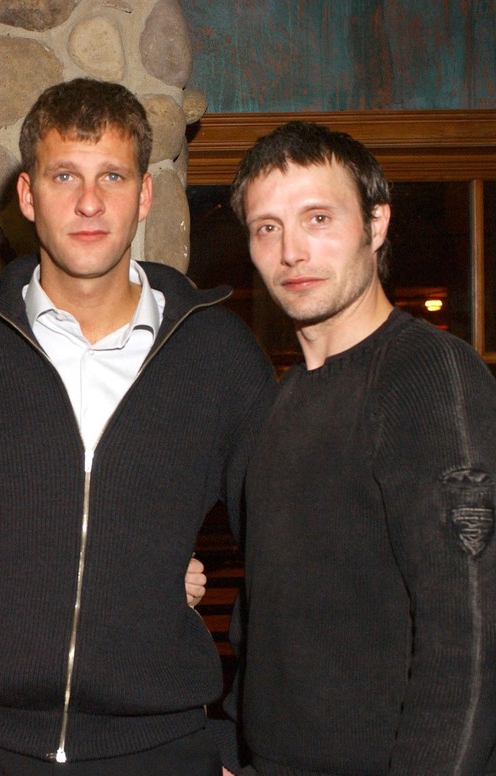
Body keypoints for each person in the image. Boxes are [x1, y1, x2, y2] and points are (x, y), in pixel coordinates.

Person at [0, 78, 276, 775]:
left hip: (161, 750)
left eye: (112, 175)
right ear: (26, 195)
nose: (89, 202)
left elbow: (286, 563)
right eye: (64, 176)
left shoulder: (220, 358)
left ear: (143, 195)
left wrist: (243, 740)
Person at [225, 120, 496, 775]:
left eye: (318, 218)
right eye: (268, 227)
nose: (292, 251)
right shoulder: (276, 403)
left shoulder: (430, 372)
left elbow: (471, 636)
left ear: (376, 225)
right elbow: (261, 617)